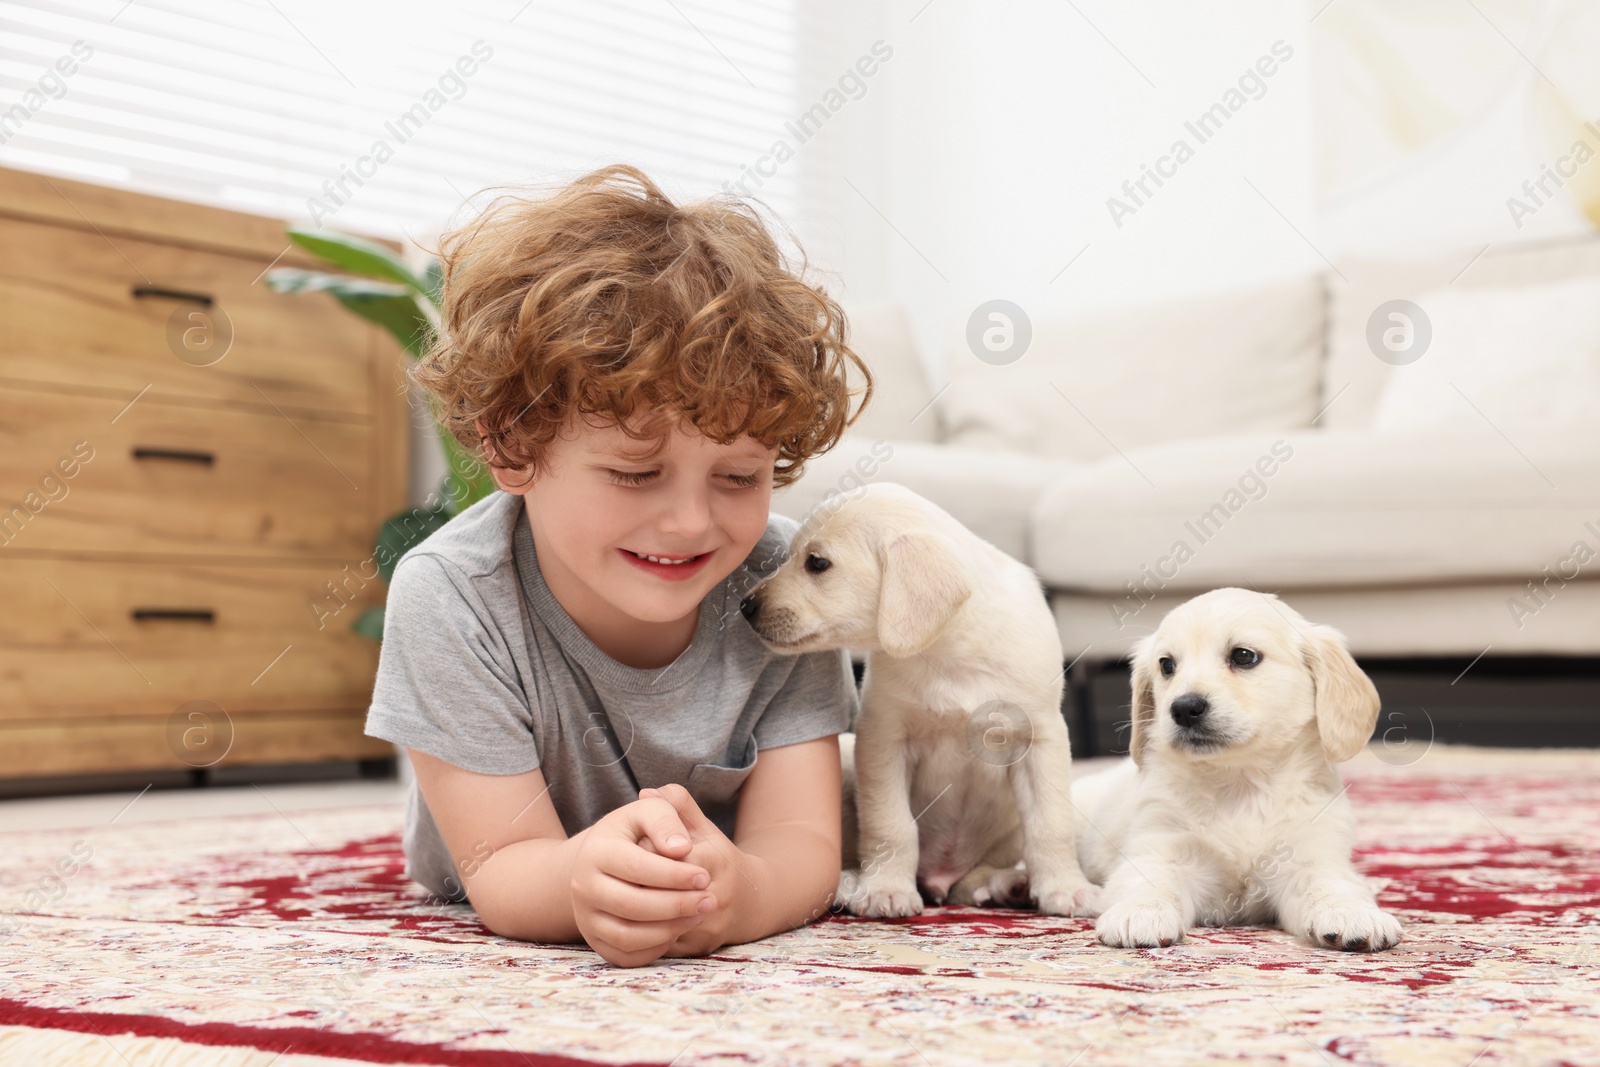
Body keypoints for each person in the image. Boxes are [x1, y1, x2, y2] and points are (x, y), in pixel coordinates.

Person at [365, 163, 873, 968]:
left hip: (706, 871)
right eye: (636, 472)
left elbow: (804, 844)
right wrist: (580, 878)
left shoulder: (783, 586)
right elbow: (501, 866)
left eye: (738, 477)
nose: (691, 521)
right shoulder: (452, 594)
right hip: (503, 857)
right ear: (509, 444)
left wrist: (744, 892)